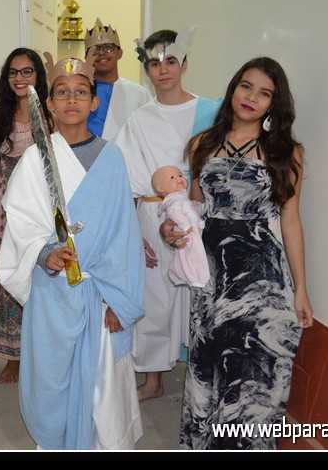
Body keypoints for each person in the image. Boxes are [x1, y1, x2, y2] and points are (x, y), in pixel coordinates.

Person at [0, 55, 145, 450]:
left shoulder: (112, 158)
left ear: (94, 102)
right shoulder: (35, 159)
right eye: (62, 93)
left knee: (101, 386)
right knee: (52, 379)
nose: (72, 99)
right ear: (49, 104)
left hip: (100, 292)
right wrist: (44, 252)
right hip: (53, 293)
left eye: (81, 92)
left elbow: (124, 234)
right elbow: (20, 224)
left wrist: (121, 301)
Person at [172, 56, 314, 449]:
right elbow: (194, 210)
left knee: (255, 381)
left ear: (274, 104)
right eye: (246, 86)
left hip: (263, 284)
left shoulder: (286, 153)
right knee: (211, 369)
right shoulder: (202, 145)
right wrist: (173, 230)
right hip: (213, 280)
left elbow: (291, 221)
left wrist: (301, 290)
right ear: (234, 88)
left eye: (264, 93)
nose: (251, 97)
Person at [114, 26, 222, 401]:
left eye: (171, 61)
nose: (163, 69)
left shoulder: (210, 112)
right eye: (155, 63)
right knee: (154, 297)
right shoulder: (139, 120)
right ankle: (153, 379)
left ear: (185, 64)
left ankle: (202, 375)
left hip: (198, 212)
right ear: (146, 69)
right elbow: (122, 181)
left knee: (199, 292)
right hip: (151, 213)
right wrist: (132, 233)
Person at [0, 48, 51, 384]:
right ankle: (12, 356)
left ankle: (37, 352)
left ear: (38, 76)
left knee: (33, 277)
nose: (19, 78)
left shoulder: (50, 115)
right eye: (13, 72)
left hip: (35, 208)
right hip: (1, 209)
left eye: (27, 71)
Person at [83, 17, 151, 141]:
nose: (101, 53)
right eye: (95, 49)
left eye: (108, 47)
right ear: (86, 57)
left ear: (120, 53)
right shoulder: (79, 92)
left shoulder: (139, 94)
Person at [152, 165, 209, 288]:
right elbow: (174, 212)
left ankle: (188, 274)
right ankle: (195, 276)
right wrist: (186, 226)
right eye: (173, 177)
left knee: (190, 254)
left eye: (180, 175)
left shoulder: (182, 197)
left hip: (195, 227)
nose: (179, 178)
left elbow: (193, 207)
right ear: (160, 188)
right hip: (188, 231)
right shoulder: (175, 201)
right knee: (192, 253)